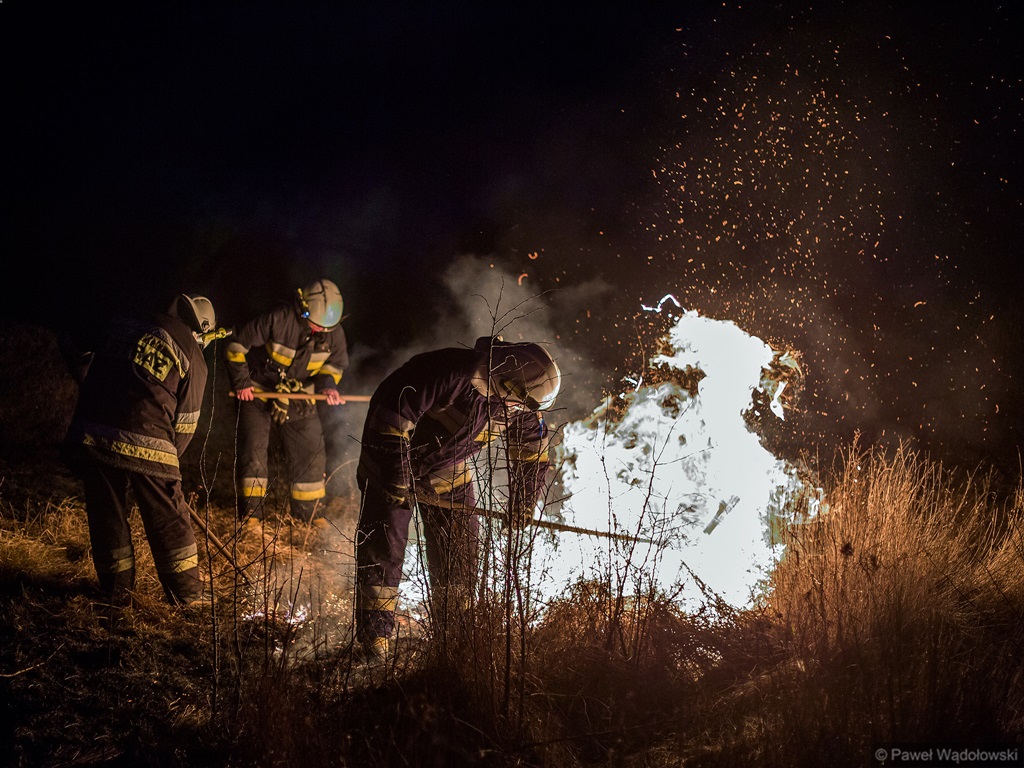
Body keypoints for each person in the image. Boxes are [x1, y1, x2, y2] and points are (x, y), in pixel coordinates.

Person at [354, 335, 562, 661]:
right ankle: (374, 644)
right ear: (505, 378)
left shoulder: (520, 401)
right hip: (390, 460)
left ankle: (454, 638)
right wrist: (397, 479)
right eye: (518, 402)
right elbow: (391, 420)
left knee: (460, 552)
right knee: (384, 549)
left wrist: (522, 504)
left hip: (447, 469)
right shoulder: (445, 372)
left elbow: (532, 453)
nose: (519, 410)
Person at [63, 294, 222, 606]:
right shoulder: (191, 351)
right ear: (201, 330)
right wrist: (164, 468)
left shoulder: (126, 324)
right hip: (148, 438)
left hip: (92, 432)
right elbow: (186, 424)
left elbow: (75, 347)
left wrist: (94, 388)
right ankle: (187, 596)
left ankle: (116, 592)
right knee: (168, 517)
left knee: (105, 513)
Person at [225, 278, 349, 524]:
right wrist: (242, 383)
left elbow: (335, 366)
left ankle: (308, 513)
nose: (321, 333)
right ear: (303, 311)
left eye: (326, 329)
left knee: (311, 449)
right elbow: (235, 345)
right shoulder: (278, 318)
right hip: (259, 392)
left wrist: (327, 386)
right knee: (254, 449)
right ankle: (251, 516)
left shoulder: (333, 332)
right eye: (316, 326)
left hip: (298, 395)